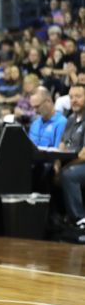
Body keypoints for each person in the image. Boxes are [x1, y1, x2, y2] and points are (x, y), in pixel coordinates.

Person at [55, 85, 85, 229]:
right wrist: (57, 160)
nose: (74, 100)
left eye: (78, 97)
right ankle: (57, 216)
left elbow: (84, 155)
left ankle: (80, 219)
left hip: (81, 163)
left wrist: (66, 165)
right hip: (73, 162)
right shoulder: (71, 119)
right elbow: (62, 143)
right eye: (71, 97)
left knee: (69, 175)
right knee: (48, 170)